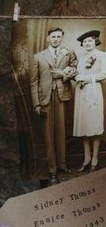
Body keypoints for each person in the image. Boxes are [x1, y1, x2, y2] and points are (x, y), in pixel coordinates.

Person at [30, 26, 77, 185]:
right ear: (48, 38)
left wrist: (64, 74)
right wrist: (36, 103)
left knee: (62, 132)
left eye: (59, 36)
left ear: (62, 38)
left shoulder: (68, 53)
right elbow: (34, 82)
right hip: (45, 98)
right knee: (48, 134)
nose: (56, 39)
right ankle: (52, 170)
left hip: (62, 96)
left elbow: (76, 70)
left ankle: (62, 165)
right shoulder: (38, 56)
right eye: (53, 37)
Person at [73, 30, 106, 172]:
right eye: (85, 42)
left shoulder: (103, 55)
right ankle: (86, 158)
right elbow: (79, 74)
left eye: (90, 40)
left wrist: (85, 79)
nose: (87, 43)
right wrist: (77, 77)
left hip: (94, 91)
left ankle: (95, 158)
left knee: (94, 124)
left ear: (95, 41)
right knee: (83, 125)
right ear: (82, 44)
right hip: (81, 92)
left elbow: (105, 73)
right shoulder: (82, 59)